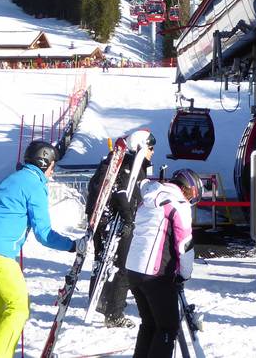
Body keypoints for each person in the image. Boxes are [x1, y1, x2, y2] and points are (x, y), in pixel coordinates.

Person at [0, 140, 83, 358]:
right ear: (44, 163)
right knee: (18, 308)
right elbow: (44, 234)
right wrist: (73, 245)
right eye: (53, 165)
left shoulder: (13, 178)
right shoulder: (35, 185)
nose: (52, 171)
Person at [123, 168, 201, 358]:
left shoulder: (148, 199)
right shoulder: (178, 204)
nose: (191, 201)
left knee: (150, 324)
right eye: (192, 196)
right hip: (156, 273)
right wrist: (185, 273)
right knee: (167, 327)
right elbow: (185, 245)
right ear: (187, 188)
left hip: (134, 269)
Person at [87, 128, 156, 328]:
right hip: (118, 222)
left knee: (103, 261)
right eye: (150, 148)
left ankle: (101, 301)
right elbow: (122, 193)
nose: (152, 152)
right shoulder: (129, 165)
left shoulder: (118, 161)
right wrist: (128, 220)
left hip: (104, 221)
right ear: (141, 147)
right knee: (123, 267)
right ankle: (114, 313)